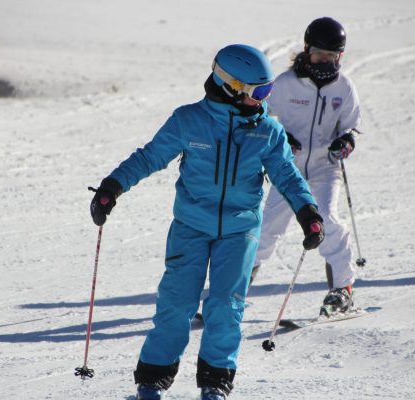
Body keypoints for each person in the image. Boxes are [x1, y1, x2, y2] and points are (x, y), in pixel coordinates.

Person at [89, 44, 324, 400]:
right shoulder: (189, 120)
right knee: (176, 305)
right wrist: (112, 187)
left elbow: (288, 178)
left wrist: (308, 213)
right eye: (259, 91)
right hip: (190, 227)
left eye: (268, 90)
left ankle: (215, 385)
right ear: (231, 86)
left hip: (239, 231)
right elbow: (149, 157)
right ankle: (151, 383)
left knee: (226, 308)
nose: (264, 99)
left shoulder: (268, 132)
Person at [252, 17, 362, 317]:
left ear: (340, 55)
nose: (323, 61)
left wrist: (344, 143)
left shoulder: (344, 87)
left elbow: (351, 129)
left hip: (326, 168)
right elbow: (259, 115)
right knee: (266, 228)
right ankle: (233, 290)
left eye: (331, 56)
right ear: (306, 49)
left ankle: (342, 290)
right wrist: (281, 137)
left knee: (327, 217)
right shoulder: (287, 84)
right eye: (318, 54)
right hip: (289, 169)